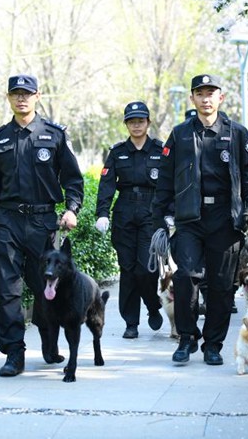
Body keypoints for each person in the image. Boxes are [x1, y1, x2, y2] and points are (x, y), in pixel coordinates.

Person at [152, 74, 248, 366]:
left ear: (220, 98)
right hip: (189, 218)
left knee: (221, 285)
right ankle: (187, 338)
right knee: (185, 277)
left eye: (211, 93)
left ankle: (213, 344)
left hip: (226, 220)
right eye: (200, 93)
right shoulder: (179, 134)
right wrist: (161, 215)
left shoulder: (238, 134)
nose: (205, 98)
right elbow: (165, 178)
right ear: (193, 98)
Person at [0, 74, 84, 377]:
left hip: (42, 221)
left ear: (37, 96)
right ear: (9, 97)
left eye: (27, 93)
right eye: (15, 94)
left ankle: (49, 341)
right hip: (7, 221)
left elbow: (73, 179)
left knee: (45, 286)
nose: (21, 99)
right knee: (8, 291)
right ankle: (14, 354)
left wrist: (72, 209)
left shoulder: (54, 135)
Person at [95, 101, 164, 339]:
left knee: (145, 268)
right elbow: (106, 185)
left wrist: (170, 212)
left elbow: (168, 185)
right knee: (128, 268)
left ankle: (153, 305)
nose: (136, 125)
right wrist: (102, 213)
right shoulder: (117, 152)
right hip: (124, 210)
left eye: (141, 121)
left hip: (151, 211)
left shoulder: (160, 150)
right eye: (132, 121)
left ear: (148, 122)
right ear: (126, 124)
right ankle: (131, 322)